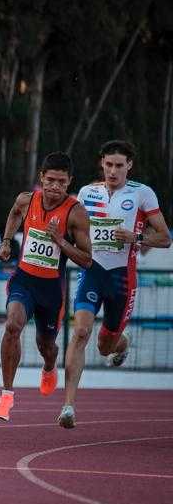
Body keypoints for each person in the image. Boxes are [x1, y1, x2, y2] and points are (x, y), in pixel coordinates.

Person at [60, 141, 170, 428]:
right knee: (81, 331)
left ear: (129, 166)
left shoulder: (142, 193)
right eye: (108, 164)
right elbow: (74, 229)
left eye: (119, 165)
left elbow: (165, 237)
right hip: (93, 271)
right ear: (102, 164)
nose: (113, 171)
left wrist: (137, 239)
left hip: (122, 277)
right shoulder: (87, 192)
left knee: (104, 346)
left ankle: (122, 344)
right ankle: (68, 406)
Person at [0, 152, 92, 424]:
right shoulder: (26, 200)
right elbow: (14, 214)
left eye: (61, 182)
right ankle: (7, 394)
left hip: (50, 290)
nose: (54, 187)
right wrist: (6, 242)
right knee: (13, 325)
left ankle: (49, 366)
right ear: (41, 178)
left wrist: (60, 241)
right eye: (50, 180)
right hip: (23, 280)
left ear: (70, 182)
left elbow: (86, 259)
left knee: (46, 345)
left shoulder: (76, 213)